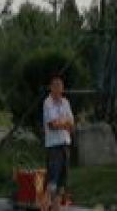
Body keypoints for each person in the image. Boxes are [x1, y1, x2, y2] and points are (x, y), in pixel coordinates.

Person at [43, 75, 74, 211]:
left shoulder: (66, 102)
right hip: (54, 146)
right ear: (51, 88)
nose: (58, 89)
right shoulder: (48, 103)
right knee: (52, 182)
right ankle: (44, 206)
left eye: (60, 86)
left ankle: (56, 208)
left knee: (62, 183)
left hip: (65, 145)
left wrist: (61, 122)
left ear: (62, 88)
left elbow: (71, 122)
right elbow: (52, 125)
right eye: (55, 86)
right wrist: (64, 122)